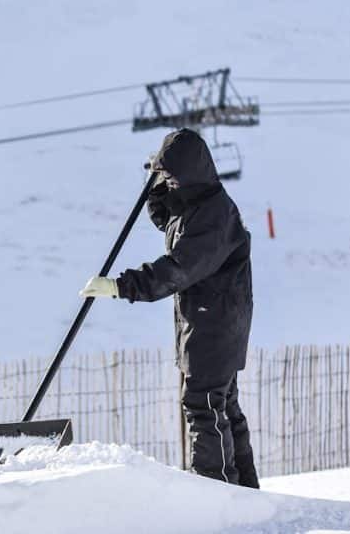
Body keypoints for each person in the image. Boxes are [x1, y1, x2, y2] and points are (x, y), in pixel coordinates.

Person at [78, 128, 259, 488]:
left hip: (215, 325)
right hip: (212, 320)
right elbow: (169, 220)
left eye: (174, 177)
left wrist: (122, 286)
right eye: (167, 177)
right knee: (221, 406)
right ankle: (243, 494)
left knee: (203, 406)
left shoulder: (214, 217)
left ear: (192, 172)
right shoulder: (200, 205)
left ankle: (216, 494)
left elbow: (179, 267)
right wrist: (157, 190)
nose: (171, 183)